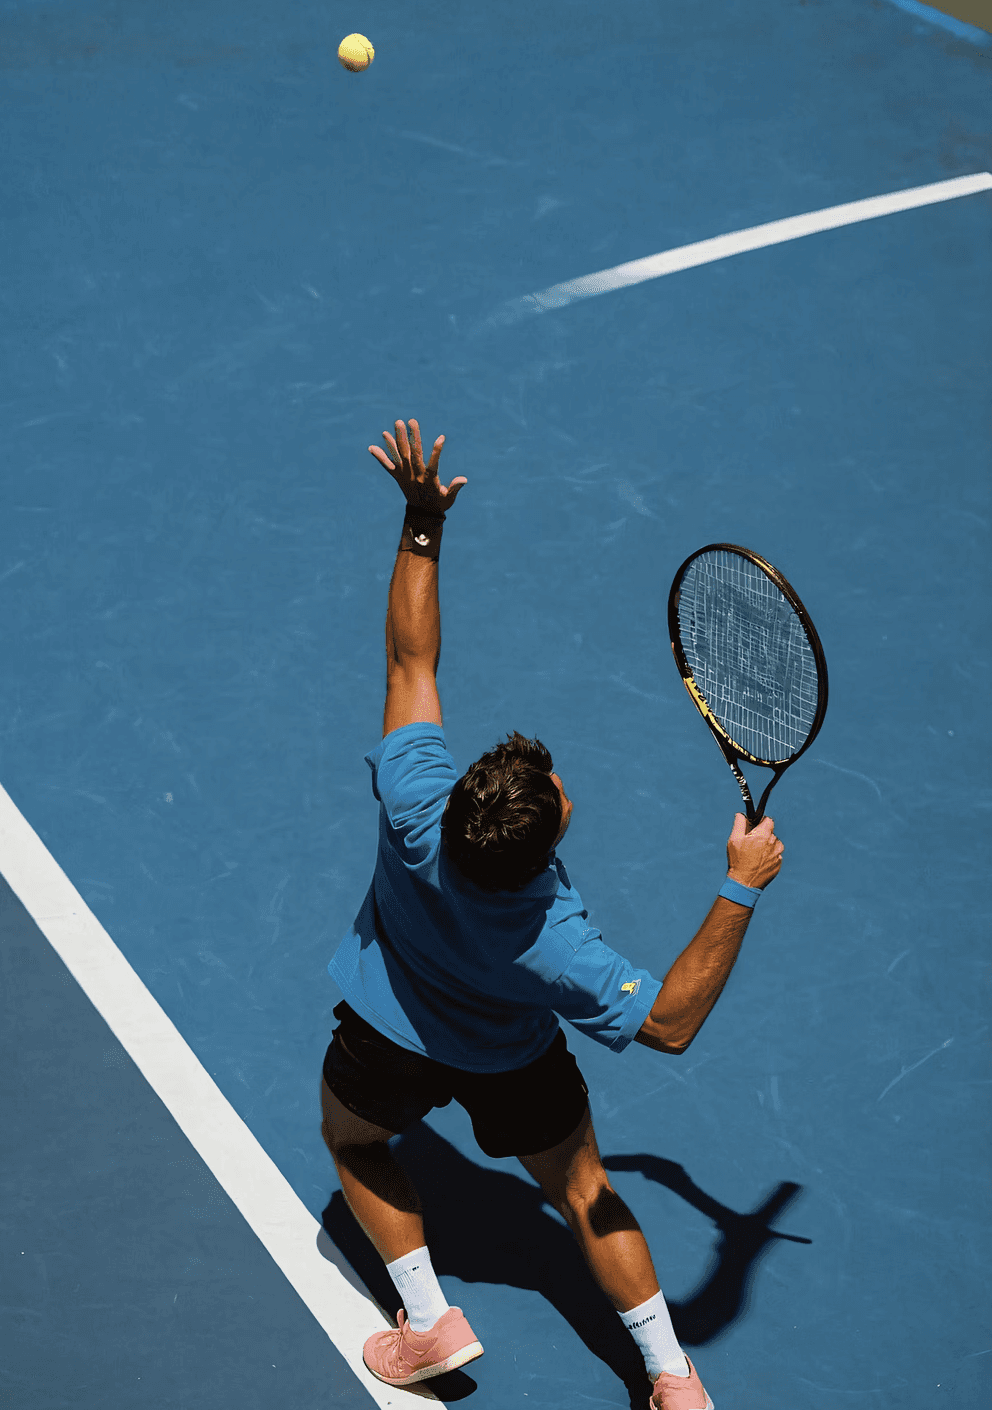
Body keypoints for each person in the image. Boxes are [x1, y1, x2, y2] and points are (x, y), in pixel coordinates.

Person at [321, 419, 784, 1410]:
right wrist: (739, 885)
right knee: (584, 1192)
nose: (565, 785)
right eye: (560, 793)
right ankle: (672, 1377)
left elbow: (409, 664)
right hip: (512, 1062)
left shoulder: (416, 803)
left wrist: (420, 523)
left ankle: (428, 1320)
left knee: (355, 1142)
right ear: (545, 844)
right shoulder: (556, 946)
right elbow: (668, 1023)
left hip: (387, 1033)